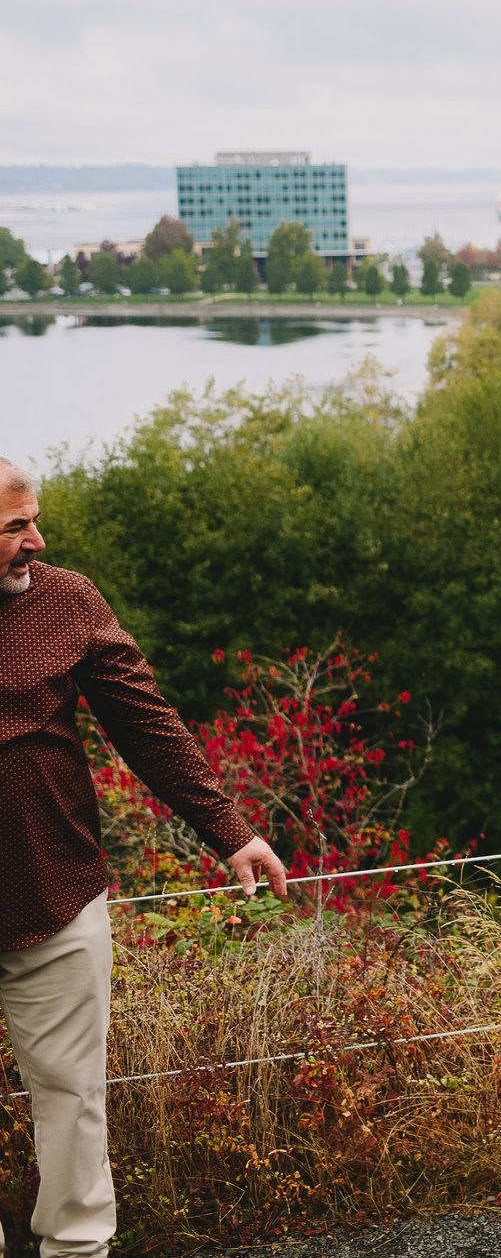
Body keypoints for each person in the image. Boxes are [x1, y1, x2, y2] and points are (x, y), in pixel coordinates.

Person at [0, 458, 287, 1255]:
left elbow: (149, 726)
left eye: (35, 520)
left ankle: (76, 1249)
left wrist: (232, 830)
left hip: (55, 893)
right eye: (15, 527)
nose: (37, 540)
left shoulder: (68, 600)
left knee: (72, 1096)